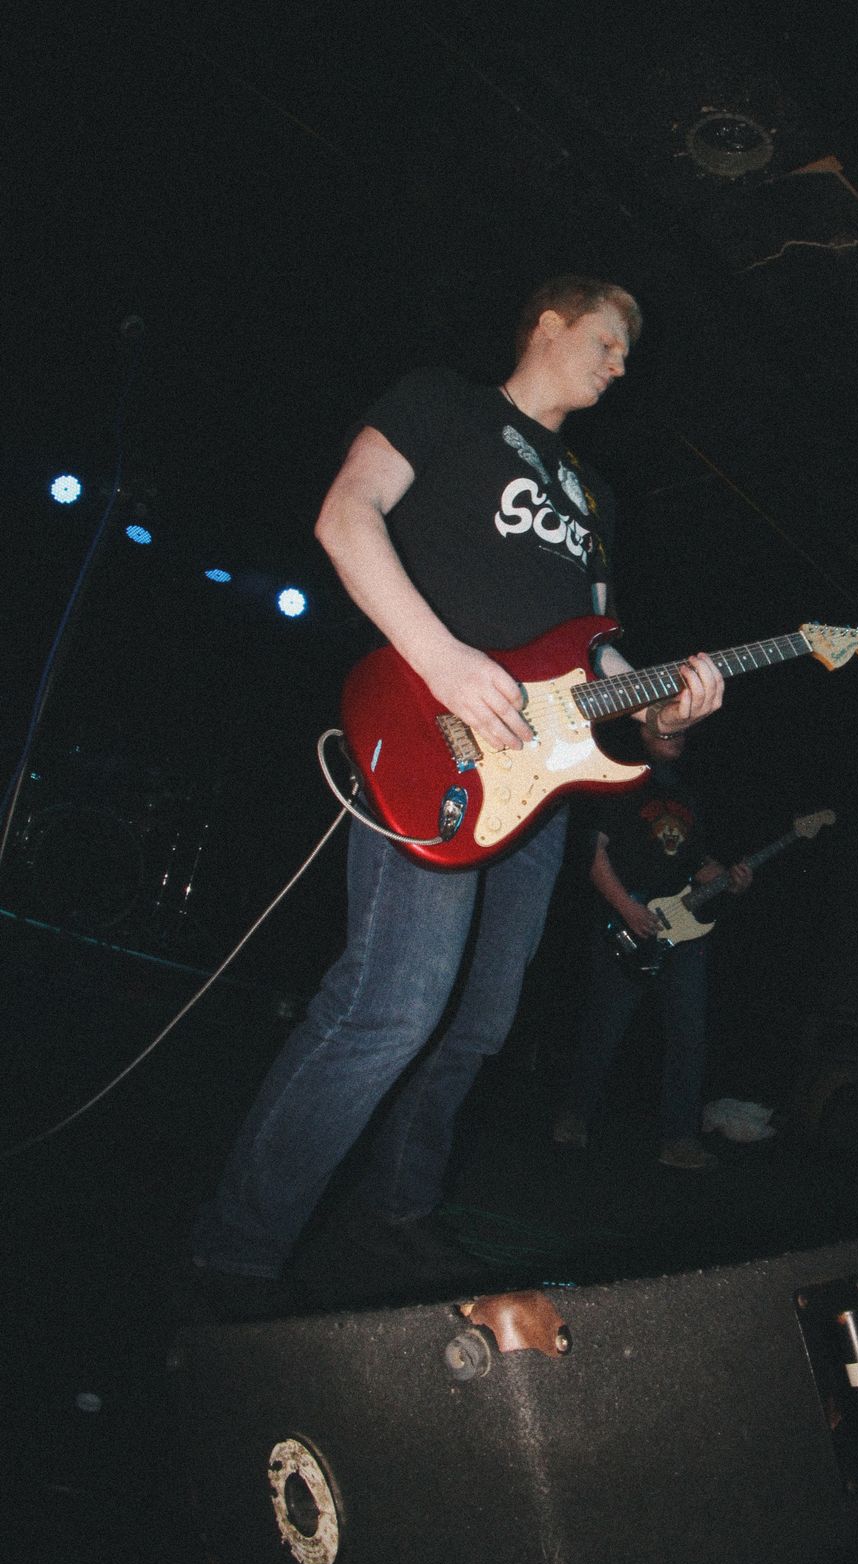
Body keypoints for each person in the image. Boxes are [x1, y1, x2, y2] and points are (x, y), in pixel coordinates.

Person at [188, 275, 727, 1303]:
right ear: (549, 323)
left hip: (542, 779)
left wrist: (664, 715)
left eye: (627, 352)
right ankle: (236, 1250)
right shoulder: (444, 402)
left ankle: (394, 1216)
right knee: (392, 1003)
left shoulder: (596, 498)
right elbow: (346, 514)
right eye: (608, 340)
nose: (621, 365)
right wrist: (440, 660)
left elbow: (603, 659)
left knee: (480, 1022)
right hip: (432, 732)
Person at [553, 719, 751, 1169]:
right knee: (605, 1025)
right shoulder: (621, 781)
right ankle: (574, 1116)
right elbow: (593, 852)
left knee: (689, 1035)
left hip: (684, 930)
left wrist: (730, 880)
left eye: (681, 732)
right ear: (642, 731)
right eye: (666, 731)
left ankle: (678, 1139)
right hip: (628, 923)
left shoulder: (686, 794)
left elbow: (697, 864)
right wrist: (626, 907)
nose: (676, 738)